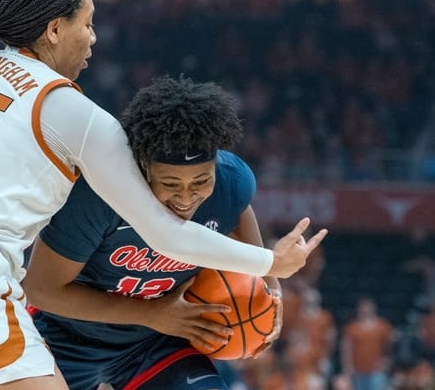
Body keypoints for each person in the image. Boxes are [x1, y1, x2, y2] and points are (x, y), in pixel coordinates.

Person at [0, 0, 327, 390]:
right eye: (87, 24)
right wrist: (270, 262)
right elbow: (163, 233)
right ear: (54, 29)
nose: (93, 37)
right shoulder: (72, 110)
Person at [22, 75, 285, 390]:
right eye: (171, 184)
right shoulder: (95, 195)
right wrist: (152, 313)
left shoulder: (232, 182)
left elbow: (239, 210)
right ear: (144, 167)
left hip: (156, 343)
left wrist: (271, 293)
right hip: (66, 335)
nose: (186, 197)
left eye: (201, 181)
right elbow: (40, 289)